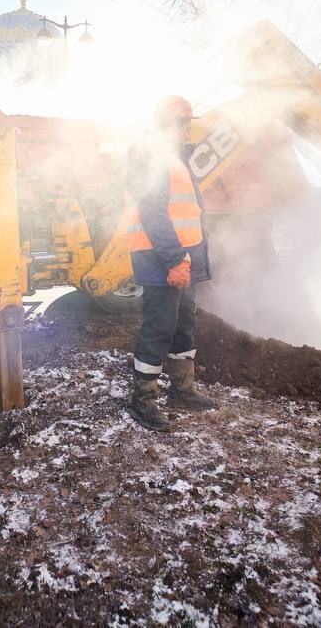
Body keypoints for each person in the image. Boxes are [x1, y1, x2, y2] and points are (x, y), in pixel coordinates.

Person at [126, 95, 217, 431]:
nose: (188, 133)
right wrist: (176, 258)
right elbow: (152, 211)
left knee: (182, 325)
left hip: (179, 258)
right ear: (169, 126)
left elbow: (187, 213)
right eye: (185, 126)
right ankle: (143, 400)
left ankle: (182, 390)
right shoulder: (151, 154)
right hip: (162, 259)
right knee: (159, 328)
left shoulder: (171, 157)